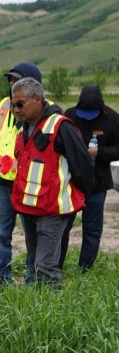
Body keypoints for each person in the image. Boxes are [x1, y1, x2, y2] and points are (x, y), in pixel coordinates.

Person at [9, 78, 93, 287]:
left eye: (20, 104)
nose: (15, 109)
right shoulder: (23, 129)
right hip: (28, 209)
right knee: (34, 263)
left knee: (45, 266)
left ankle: (56, 313)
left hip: (52, 211)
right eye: (13, 104)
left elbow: (83, 166)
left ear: (37, 99)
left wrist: (78, 198)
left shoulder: (61, 126)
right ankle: (40, 308)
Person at [0, 62, 44, 286]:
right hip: (4, 182)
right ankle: (3, 278)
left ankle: (33, 279)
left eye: (17, 80)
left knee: (32, 236)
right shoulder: (4, 106)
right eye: (10, 80)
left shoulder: (44, 111)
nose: (12, 84)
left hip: (29, 183)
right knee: (2, 234)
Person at [59, 86, 119, 271]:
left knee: (92, 230)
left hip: (97, 185)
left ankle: (84, 268)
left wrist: (100, 152)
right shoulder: (69, 115)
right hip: (71, 184)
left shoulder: (113, 119)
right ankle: (55, 266)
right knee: (62, 228)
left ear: (101, 109)